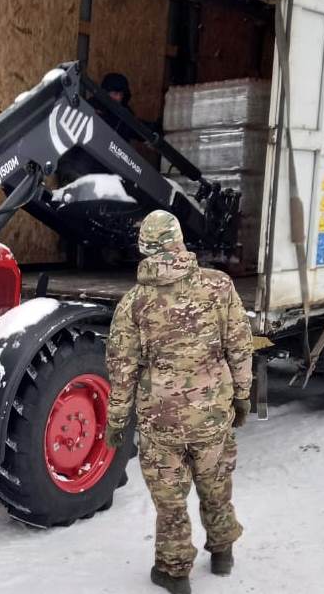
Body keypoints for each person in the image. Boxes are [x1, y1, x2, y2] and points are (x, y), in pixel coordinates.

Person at [104, 210, 253, 594]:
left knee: (170, 501)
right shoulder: (219, 287)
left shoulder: (133, 303)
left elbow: (122, 371)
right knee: (216, 484)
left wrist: (116, 422)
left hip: (160, 422)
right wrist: (242, 396)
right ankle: (222, 554)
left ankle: (174, 572)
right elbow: (239, 347)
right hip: (212, 414)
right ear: (179, 241)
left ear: (144, 248)